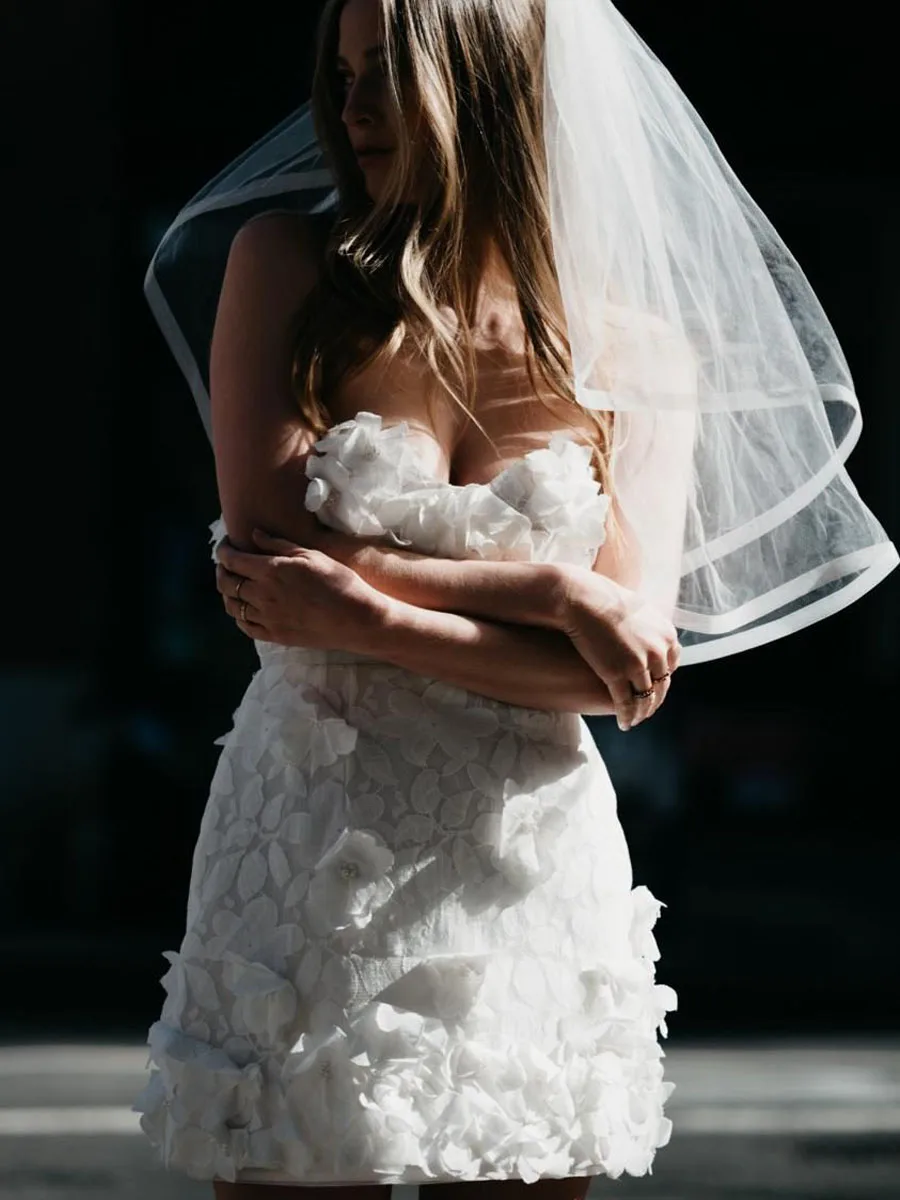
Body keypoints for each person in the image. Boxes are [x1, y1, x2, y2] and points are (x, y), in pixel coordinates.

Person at [132, 0, 897, 1196]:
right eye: (341, 78)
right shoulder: (284, 270)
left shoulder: (634, 348)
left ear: (485, 89)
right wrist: (550, 587)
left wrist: (375, 617)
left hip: (522, 848)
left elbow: (620, 672)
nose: (353, 112)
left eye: (388, 74)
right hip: (312, 824)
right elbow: (270, 549)